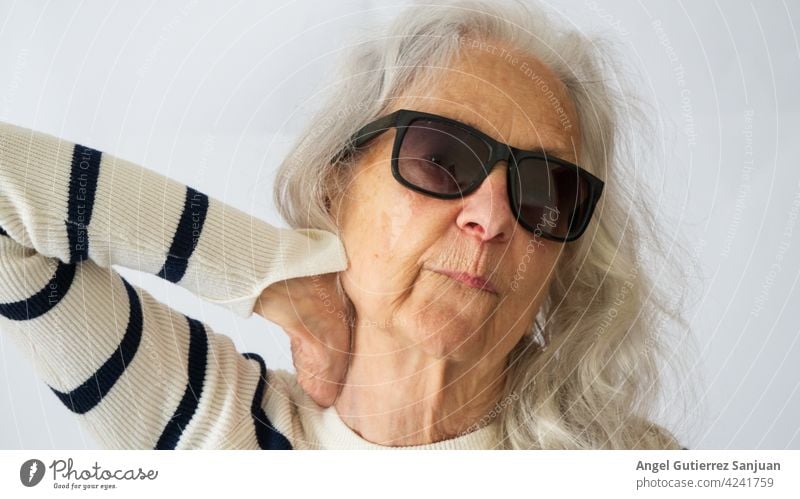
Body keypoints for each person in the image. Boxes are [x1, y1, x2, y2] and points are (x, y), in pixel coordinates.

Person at [0, 0, 689, 449]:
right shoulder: (209, 421)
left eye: (546, 190)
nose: (491, 216)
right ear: (337, 183)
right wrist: (275, 278)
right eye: (441, 156)